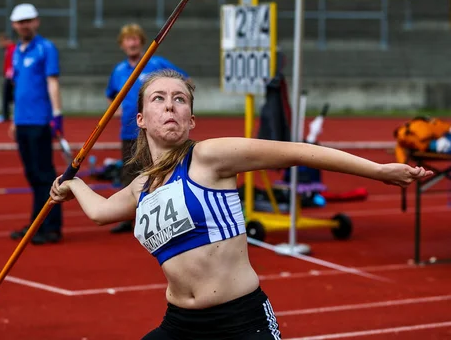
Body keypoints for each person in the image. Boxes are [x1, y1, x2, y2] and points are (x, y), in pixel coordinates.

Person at [50, 69, 432, 339]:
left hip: (239, 322)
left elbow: (297, 152)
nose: (170, 106)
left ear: (191, 119)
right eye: (159, 99)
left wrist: (379, 171)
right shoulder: (140, 187)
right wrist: (73, 185)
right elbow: (101, 213)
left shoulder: (208, 157)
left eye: (179, 100)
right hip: (180, 324)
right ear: (141, 120)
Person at [106, 23, 188, 234]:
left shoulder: (157, 64)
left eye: (135, 38)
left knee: (159, 171)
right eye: (128, 39)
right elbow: (112, 96)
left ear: (141, 42)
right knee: (129, 173)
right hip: (128, 131)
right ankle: (128, 218)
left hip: (155, 132)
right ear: (122, 44)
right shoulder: (118, 70)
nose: (132, 43)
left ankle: (162, 217)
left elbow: (184, 81)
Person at [8, 3, 64, 245]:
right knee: (32, 175)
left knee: (44, 175)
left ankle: (51, 227)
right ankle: (36, 222)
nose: (24, 25)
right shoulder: (16, 52)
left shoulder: (45, 48)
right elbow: (17, 89)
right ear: (14, 25)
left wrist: (57, 114)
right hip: (22, 121)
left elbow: (52, 82)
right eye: (20, 22)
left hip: (40, 120)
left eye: (28, 20)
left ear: (36, 21)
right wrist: (13, 119)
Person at [0, 32, 17, 123]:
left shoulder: (13, 49)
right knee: (9, 96)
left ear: (6, 40)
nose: (0, 44)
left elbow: (13, 64)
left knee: (8, 95)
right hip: (9, 75)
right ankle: (6, 114)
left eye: (1, 42)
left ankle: (6, 115)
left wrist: (12, 76)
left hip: (11, 76)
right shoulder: (8, 49)